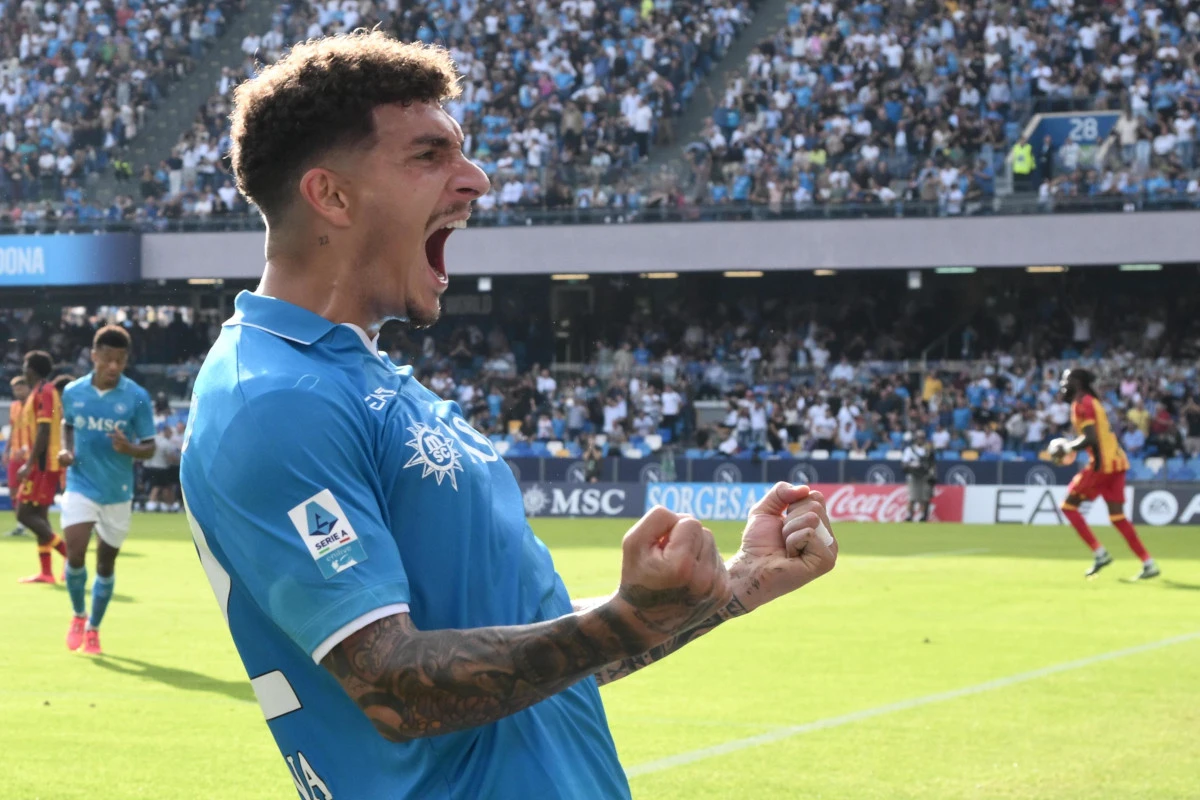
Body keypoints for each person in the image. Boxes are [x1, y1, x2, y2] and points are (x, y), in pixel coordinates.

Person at [179, 32, 838, 799]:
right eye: (429, 155)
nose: (477, 179)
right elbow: (393, 686)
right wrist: (626, 618)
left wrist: (735, 585)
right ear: (331, 196)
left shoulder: (374, 385)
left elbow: (537, 663)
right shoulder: (270, 398)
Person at [58, 326, 156, 654]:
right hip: (80, 483)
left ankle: (94, 628)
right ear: (93, 355)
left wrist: (130, 449)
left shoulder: (137, 397)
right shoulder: (73, 391)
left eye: (120, 360)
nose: (113, 366)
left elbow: (150, 447)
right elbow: (68, 424)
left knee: (105, 565)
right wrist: (66, 450)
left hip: (117, 490)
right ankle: (77, 615)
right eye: (107, 359)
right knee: (75, 552)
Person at [1054, 368, 1158, 580]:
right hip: (1117, 463)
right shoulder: (1090, 401)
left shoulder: (1083, 403)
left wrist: (1067, 447)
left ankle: (1100, 553)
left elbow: (1091, 438)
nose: (1063, 384)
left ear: (1078, 382)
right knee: (1118, 517)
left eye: (1066, 380)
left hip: (1102, 466)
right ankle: (1148, 563)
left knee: (1068, 506)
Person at [15, 351, 68, 583]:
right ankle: (46, 572)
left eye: (25, 365)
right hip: (42, 462)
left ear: (32, 369)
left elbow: (44, 430)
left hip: (43, 464)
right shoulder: (40, 391)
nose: (23, 370)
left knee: (24, 514)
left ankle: (70, 554)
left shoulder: (44, 392)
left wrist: (30, 464)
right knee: (39, 517)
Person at [4, 376, 31, 536]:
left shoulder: (34, 405)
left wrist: (26, 448)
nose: (18, 392)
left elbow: (38, 430)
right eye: (15, 389)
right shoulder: (14, 406)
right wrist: (6, 451)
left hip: (30, 456)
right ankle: (21, 525)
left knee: (30, 491)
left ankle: (36, 522)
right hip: (15, 455)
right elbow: (13, 429)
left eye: (21, 388)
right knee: (13, 490)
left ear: (28, 388)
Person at [901, 429, 936, 522]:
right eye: (919, 438)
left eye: (922, 438)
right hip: (914, 475)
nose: (920, 439)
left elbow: (932, 463)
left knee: (925, 497)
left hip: (925, 475)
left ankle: (922, 515)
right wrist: (912, 465)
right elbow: (904, 463)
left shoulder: (928, 449)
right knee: (912, 497)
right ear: (915, 438)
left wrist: (933, 475)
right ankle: (909, 515)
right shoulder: (910, 450)